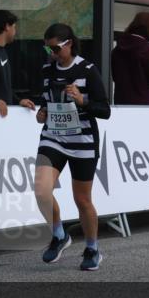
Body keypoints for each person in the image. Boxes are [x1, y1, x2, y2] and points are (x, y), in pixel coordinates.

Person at [36, 24, 111, 271]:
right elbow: (43, 101)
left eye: (55, 48)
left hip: (82, 141)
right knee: (41, 191)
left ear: (69, 44)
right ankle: (59, 235)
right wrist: (41, 111)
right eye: (48, 47)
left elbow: (104, 110)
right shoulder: (47, 69)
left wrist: (82, 100)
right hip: (53, 137)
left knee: (82, 200)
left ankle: (92, 248)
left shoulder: (87, 70)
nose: (52, 53)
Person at [111, 12, 149, 105]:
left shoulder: (117, 49)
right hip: (143, 106)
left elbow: (115, 77)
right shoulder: (148, 50)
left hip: (122, 102)